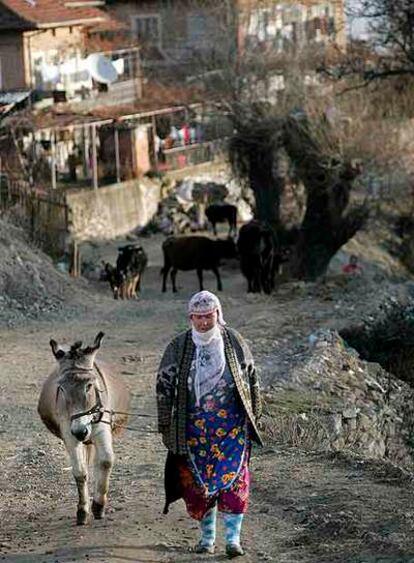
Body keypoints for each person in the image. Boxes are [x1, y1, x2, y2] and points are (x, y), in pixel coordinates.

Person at [156, 290, 263, 558]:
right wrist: (165, 425)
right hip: (193, 432)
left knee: (235, 483)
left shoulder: (235, 341)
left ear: (218, 314)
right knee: (200, 486)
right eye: (199, 317)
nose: (204, 322)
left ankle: (232, 540)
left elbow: (252, 378)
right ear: (190, 317)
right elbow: (164, 387)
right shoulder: (178, 347)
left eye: (209, 316)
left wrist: (256, 413)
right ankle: (207, 539)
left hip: (232, 430)